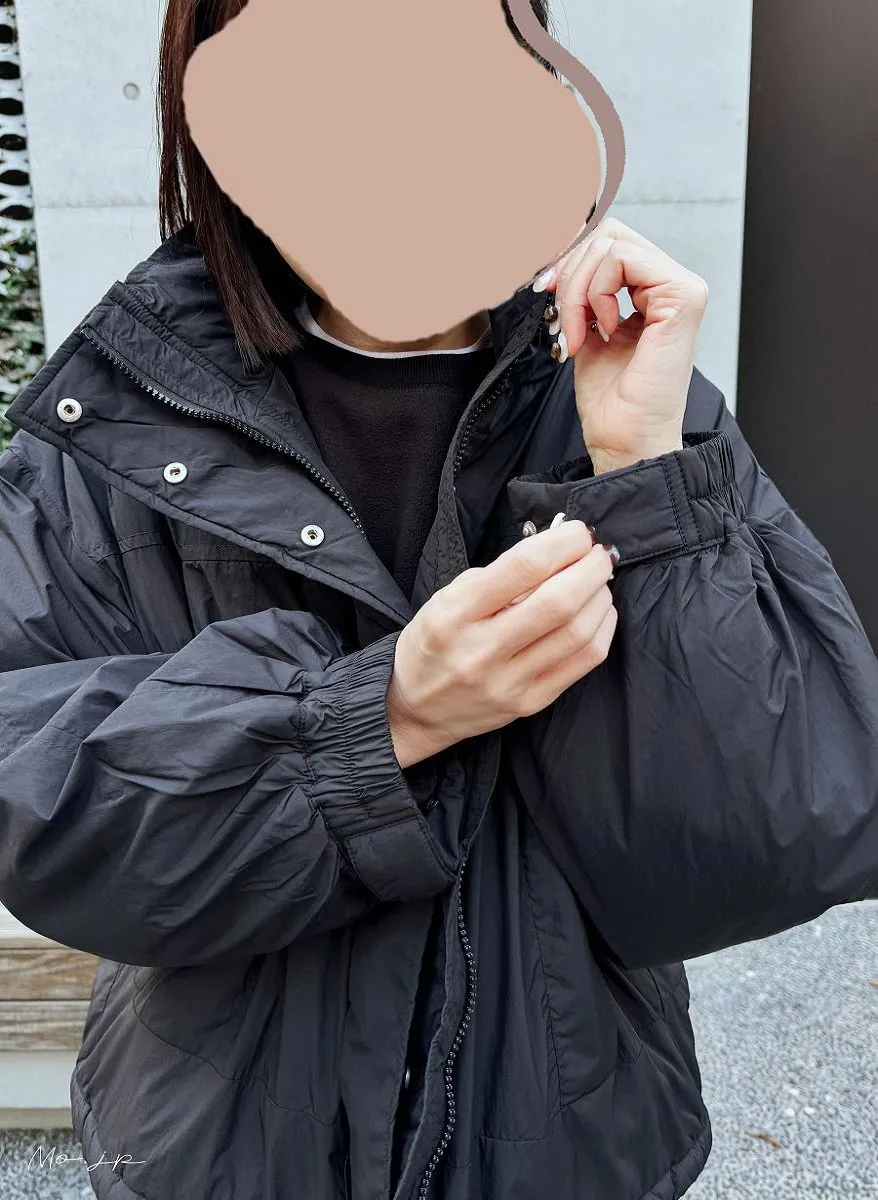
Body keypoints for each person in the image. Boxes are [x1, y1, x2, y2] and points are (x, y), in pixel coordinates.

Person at [1, 2, 876, 1199]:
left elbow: (768, 843)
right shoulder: (124, 415)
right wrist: (379, 721)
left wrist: (640, 473)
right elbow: (42, 809)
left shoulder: (626, 394)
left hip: (568, 1140)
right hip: (222, 1147)